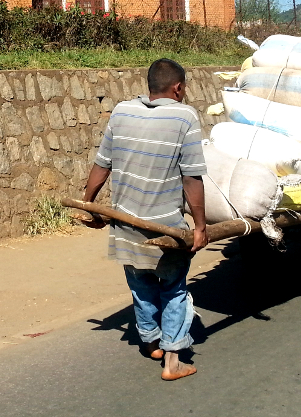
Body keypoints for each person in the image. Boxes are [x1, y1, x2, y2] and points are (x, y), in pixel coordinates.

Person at [83, 58, 208, 381]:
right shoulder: (185, 116)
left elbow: (102, 164)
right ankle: (172, 358)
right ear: (178, 88)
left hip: (126, 226)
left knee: (140, 286)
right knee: (174, 288)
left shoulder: (122, 111)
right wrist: (200, 227)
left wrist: (89, 205)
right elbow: (192, 177)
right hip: (165, 228)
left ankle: (150, 340)